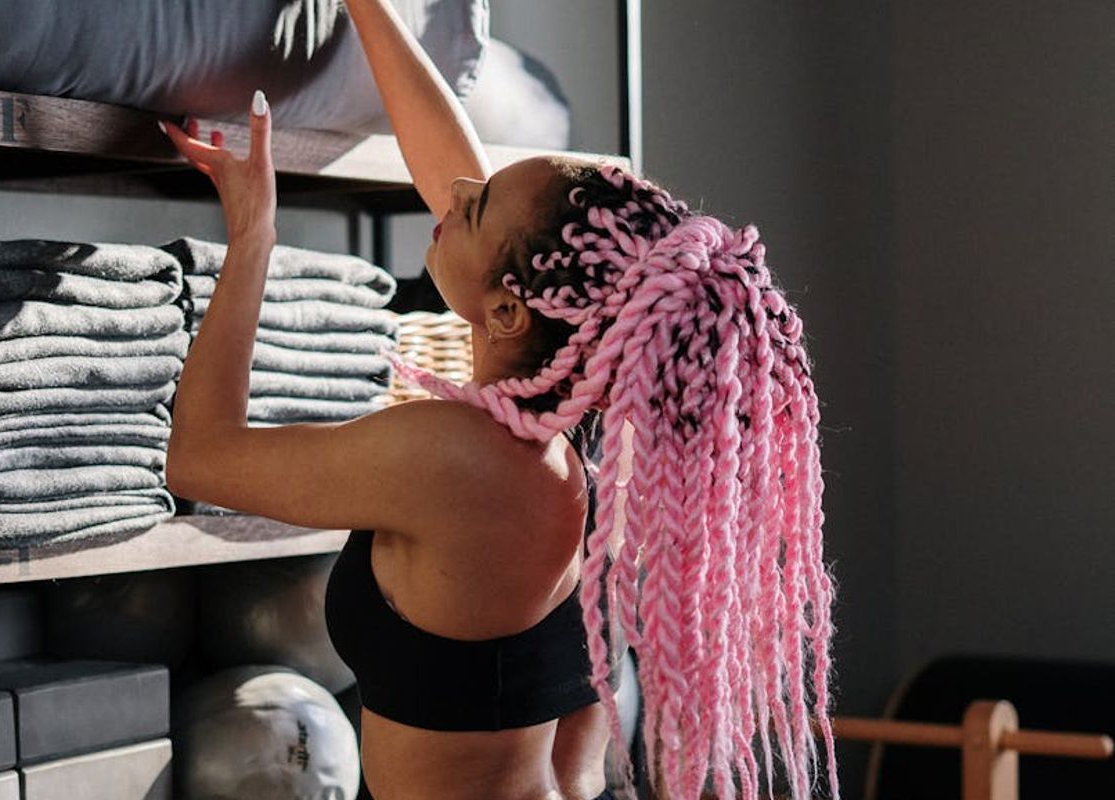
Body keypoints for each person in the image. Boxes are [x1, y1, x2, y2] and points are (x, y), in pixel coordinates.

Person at [161, 2, 841, 799]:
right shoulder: (584, 442)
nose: (454, 193)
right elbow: (467, 187)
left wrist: (253, 236)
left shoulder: (459, 457)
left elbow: (199, 458)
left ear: (511, 311)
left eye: (473, 208)